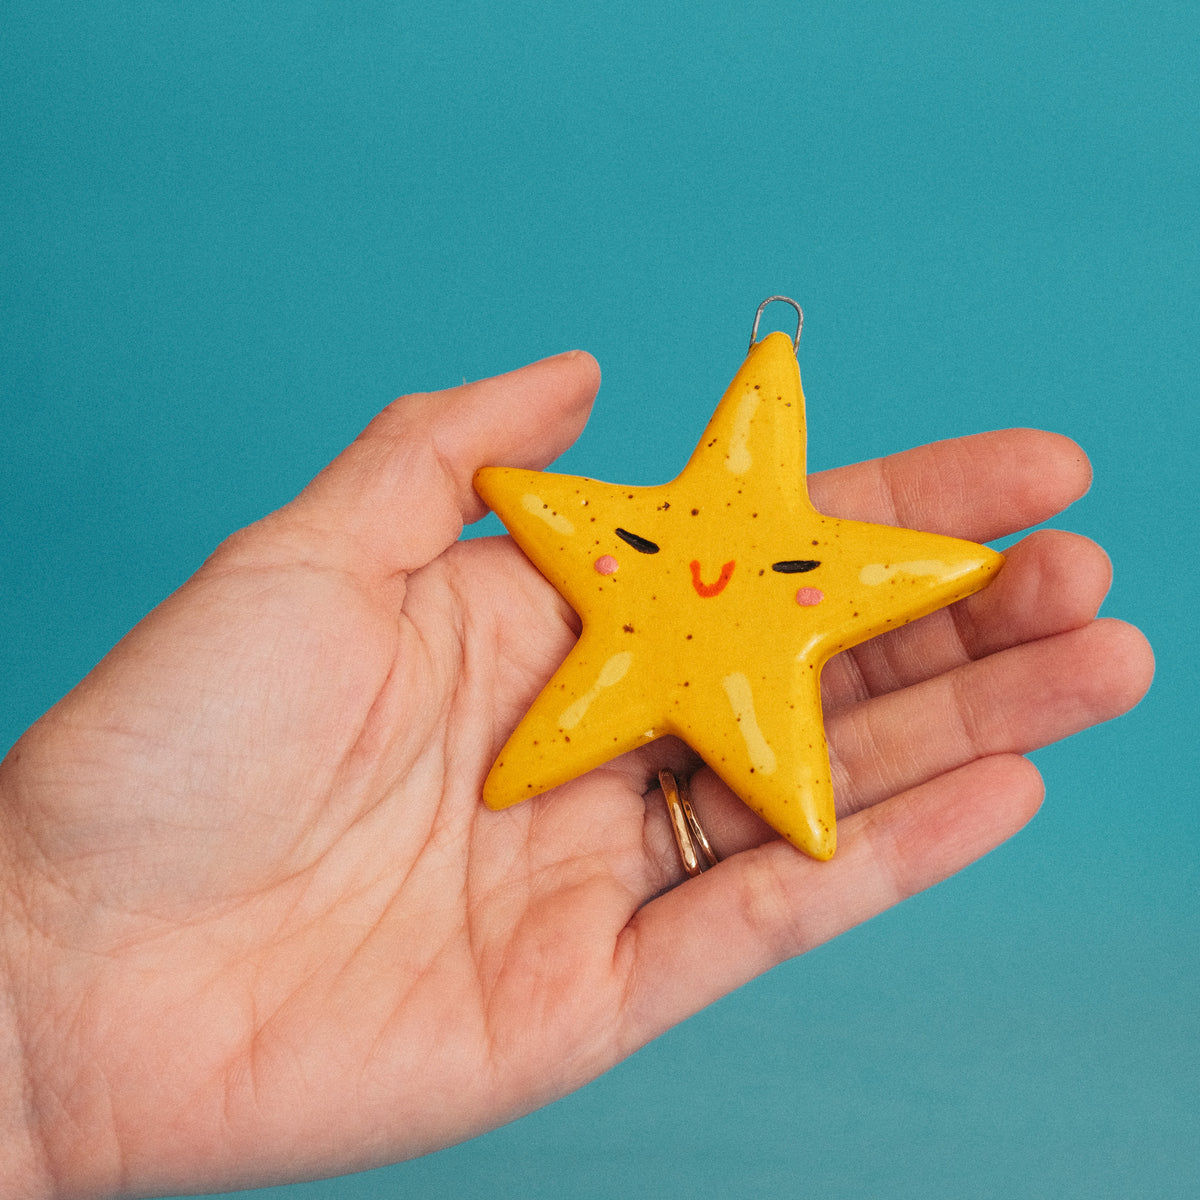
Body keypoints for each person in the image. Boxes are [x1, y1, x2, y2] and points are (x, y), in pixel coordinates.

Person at [0, 351, 1153, 1199]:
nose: (699, 568)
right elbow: (544, 506)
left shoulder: (853, 591)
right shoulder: (584, 573)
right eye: (652, 550)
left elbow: (906, 588)